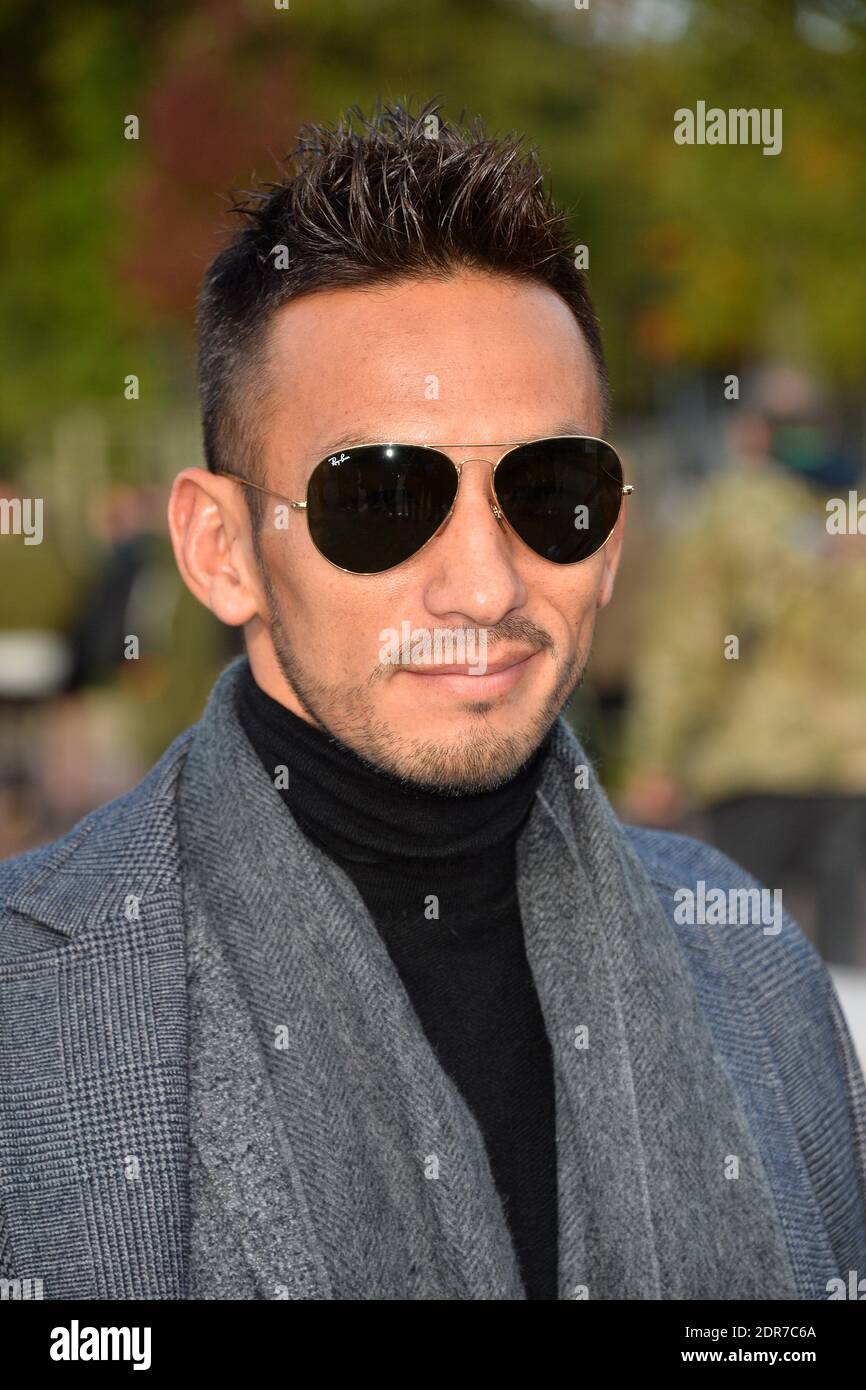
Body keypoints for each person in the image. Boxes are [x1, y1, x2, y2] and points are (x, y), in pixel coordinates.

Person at [1, 100, 864, 1302]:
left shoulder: (755, 967)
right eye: (380, 499)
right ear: (219, 548)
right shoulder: (28, 1006)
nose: (482, 581)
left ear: (609, 538)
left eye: (551, 489)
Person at [622, 367, 866, 967]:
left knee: (749, 965)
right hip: (852, 775)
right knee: (848, 970)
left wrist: (655, 760)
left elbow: (689, 648)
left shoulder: (727, 512)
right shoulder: (853, 514)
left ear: (751, 434)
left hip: (752, 768)